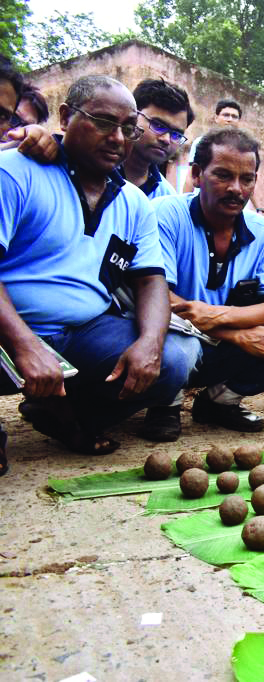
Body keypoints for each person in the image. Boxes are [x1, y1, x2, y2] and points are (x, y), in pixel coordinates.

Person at [0, 75, 192, 468]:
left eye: (127, 128)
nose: (117, 138)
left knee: (175, 357)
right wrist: (24, 343)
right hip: (8, 330)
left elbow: (151, 280)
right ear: (67, 117)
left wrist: (150, 344)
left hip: (82, 333)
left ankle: (64, 415)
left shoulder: (135, 203)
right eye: (104, 122)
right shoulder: (15, 171)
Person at [140, 128, 264, 440]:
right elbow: (158, 299)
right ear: (197, 175)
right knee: (178, 353)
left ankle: (218, 401)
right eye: (223, 175)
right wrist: (233, 334)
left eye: (247, 179)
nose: (236, 189)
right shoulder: (165, 215)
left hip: (213, 341)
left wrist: (215, 318)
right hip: (173, 337)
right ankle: (165, 403)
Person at [120, 79, 193, 199]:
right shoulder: (95, 172)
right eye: (158, 125)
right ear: (133, 117)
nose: (166, 139)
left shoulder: (166, 197)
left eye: (176, 135)